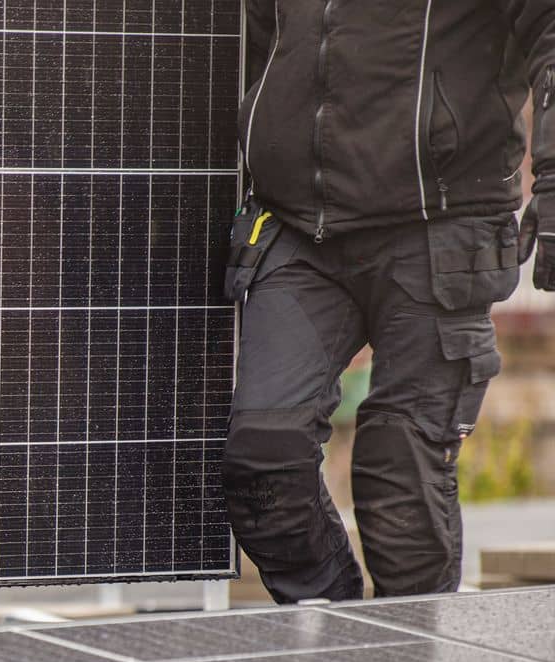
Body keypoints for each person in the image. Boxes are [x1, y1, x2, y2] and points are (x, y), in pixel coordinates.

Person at [224, 0, 555, 603]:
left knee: (401, 471)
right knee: (263, 460)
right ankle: (337, 638)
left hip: (441, 228)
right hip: (300, 231)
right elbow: (253, 42)